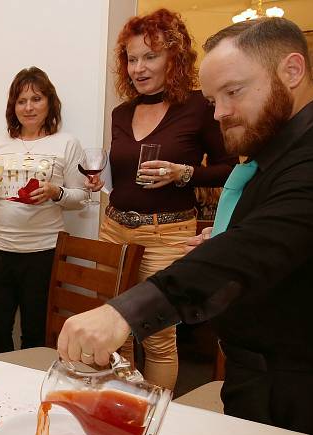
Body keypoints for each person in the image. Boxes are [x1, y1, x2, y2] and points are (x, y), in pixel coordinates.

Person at [57, 17, 313, 435]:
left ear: (291, 72)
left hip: (300, 392)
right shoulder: (278, 154)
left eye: (232, 93)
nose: (218, 113)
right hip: (256, 377)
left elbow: (251, 251)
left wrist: (124, 311)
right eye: (213, 98)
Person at [98, 8, 236, 389]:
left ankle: (157, 424)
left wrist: (185, 173)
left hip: (167, 235)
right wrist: (100, 182)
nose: (138, 68)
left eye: (150, 56)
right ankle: (124, 410)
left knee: (158, 336)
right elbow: (121, 174)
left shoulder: (198, 107)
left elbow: (230, 167)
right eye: (131, 58)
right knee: (117, 331)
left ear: (174, 58)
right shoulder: (121, 113)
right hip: (114, 231)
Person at [0, 67, 88, 355]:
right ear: (13, 106)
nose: (29, 107)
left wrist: (56, 192)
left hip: (43, 253)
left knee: (35, 333)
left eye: (36, 99)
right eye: (21, 100)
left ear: (50, 102)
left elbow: (82, 196)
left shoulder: (67, 143)